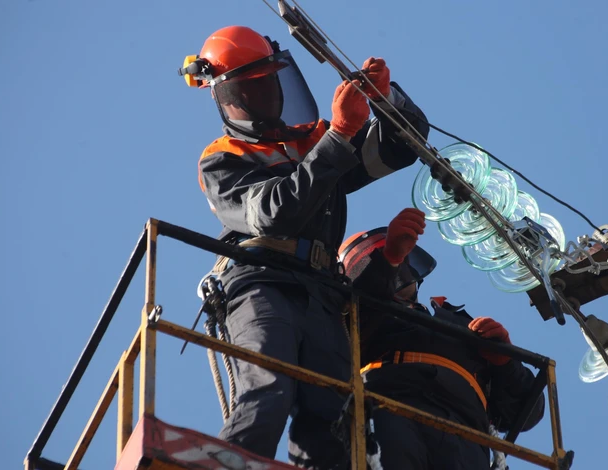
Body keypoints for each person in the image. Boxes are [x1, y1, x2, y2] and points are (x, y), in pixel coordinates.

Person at [178, 25, 429, 469]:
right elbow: (275, 212)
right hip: (261, 283)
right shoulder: (222, 158)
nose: (262, 95)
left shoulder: (309, 142)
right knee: (269, 386)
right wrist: (339, 134)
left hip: (322, 293)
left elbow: (399, 148)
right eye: (246, 88)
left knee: (334, 417)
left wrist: (384, 101)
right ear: (224, 97)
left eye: (266, 81)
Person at [338, 208, 546, 470]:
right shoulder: (353, 316)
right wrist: (387, 260)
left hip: (467, 428)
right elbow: (350, 328)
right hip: (389, 403)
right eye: (373, 261)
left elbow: (527, 414)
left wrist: (506, 361)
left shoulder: (458, 323)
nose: (400, 268)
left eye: (403, 261)